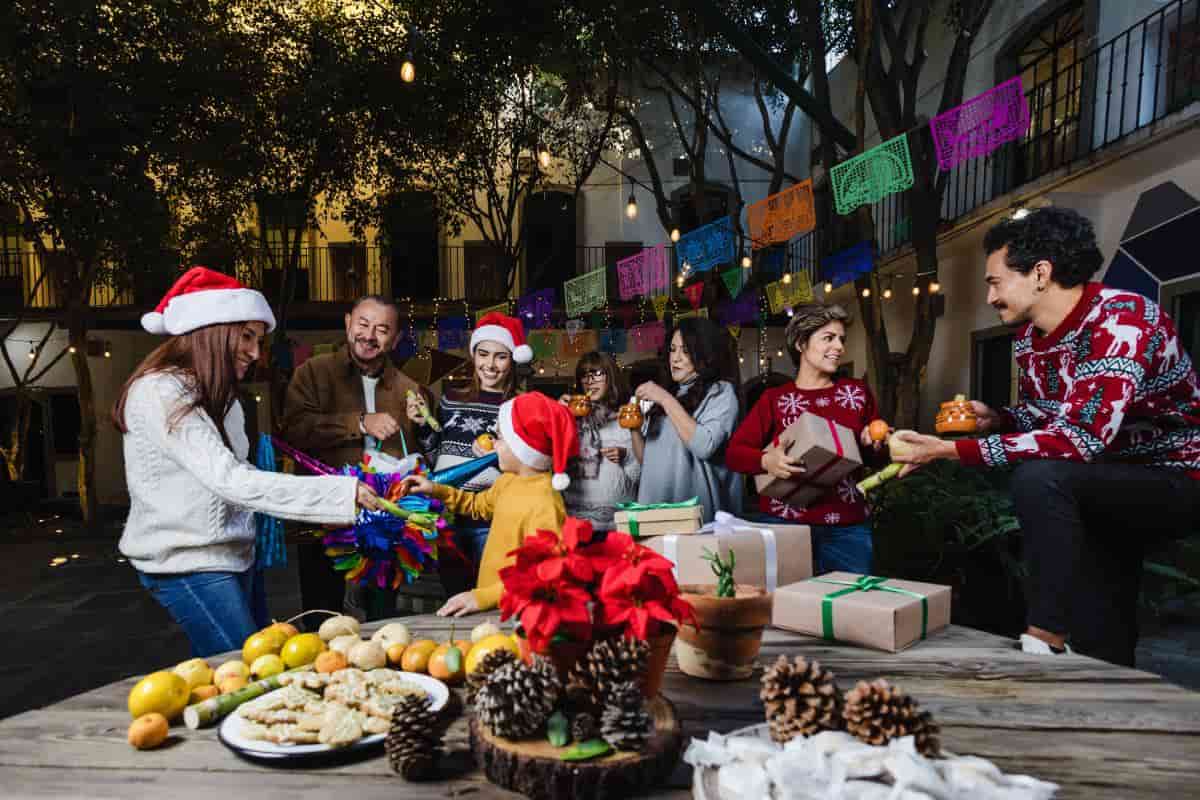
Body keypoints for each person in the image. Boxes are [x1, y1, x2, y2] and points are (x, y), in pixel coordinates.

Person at [889, 207, 1200, 666]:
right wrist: (1000, 419)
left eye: (995, 281)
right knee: (1104, 627)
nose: (990, 296)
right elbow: (1047, 414)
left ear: (1040, 273)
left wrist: (953, 450)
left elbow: (1079, 437)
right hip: (1101, 481)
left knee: (1040, 479)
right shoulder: (1030, 340)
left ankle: (1045, 634)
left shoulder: (1121, 321)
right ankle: (1102, 702)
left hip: (1175, 475)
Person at [114, 267, 381, 657]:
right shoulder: (161, 392)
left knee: (256, 670)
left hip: (235, 557)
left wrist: (331, 499)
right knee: (247, 674)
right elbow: (231, 480)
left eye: (258, 340)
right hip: (188, 562)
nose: (256, 352)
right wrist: (342, 491)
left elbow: (243, 477)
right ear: (211, 329)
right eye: (246, 336)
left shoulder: (224, 400)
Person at [280, 295, 422, 622]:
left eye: (382, 329)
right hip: (324, 514)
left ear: (395, 339)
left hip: (384, 522)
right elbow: (294, 431)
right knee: (320, 614)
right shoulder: (313, 373)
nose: (369, 335)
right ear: (348, 323)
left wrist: (424, 426)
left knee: (382, 618)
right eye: (363, 324)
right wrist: (359, 422)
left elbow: (420, 452)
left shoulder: (408, 388)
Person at [726, 303, 880, 574]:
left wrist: (875, 444)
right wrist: (766, 461)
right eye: (828, 338)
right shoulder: (774, 400)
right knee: (786, 612)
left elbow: (876, 459)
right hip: (785, 525)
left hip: (847, 528)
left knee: (850, 611)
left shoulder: (857, 393)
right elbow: (734, 454)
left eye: (842, 340)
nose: (839, 348)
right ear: (800, 343)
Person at [400, 391, 578, 616]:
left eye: (501, 438)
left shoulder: (545, 504)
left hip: (518, 613)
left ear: (523, 447)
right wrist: (435, 489)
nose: (493, 444)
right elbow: (477, 505)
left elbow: (541, 574)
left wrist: (483, 596)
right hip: (491, 606)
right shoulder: (509, 481)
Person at [408, 311, 530, 593]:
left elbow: (528, 464)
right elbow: (433, 451)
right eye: (483, 354)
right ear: (473, 355)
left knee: (493, 592)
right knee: (455, 593)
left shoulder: (519, 405)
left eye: (500, 356)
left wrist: (494, 458)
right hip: (446, 515)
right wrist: (422, 426)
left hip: (491, 517)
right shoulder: (452, 399)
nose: (490, 364)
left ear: (512, 360)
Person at [632, 317, 743, 521]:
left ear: (704, 354)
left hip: (697, 518)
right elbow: (647, 461)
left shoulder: (721, 393)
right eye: (673, 350)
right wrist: (634, 428)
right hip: (654, 512)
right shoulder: (669, 395)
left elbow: (704, 446)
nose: (675, 358)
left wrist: (664, 399)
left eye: (685, 351)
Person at [559, 351, 640, 531]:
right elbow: (548, 462)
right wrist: (558, 416)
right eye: (584, 375)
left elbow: (642, 475)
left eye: (597, 373)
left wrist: (625, 455)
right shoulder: (569, 418)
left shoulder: (628, 416)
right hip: (576, 522)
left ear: (610, 377)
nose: (590, 381)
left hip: (619, 523)